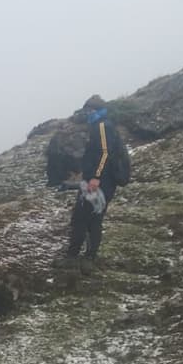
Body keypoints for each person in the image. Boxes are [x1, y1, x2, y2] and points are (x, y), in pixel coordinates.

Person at [63, 95, 126, 273]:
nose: (87, 114)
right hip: (97, 181)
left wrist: (95, 177)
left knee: (87, 218)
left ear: (96, 110)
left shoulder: (102, 126)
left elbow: (105, 153)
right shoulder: (99, 126)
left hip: (100, 182)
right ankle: (81, 256)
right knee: (87, 217)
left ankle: (81, 257)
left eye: (89, 111)